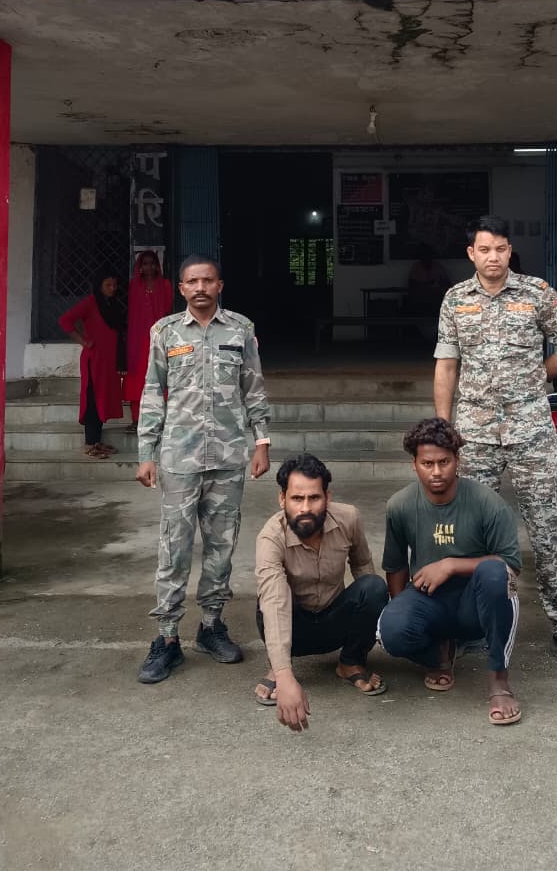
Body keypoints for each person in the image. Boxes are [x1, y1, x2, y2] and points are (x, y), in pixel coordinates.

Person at [433, 214, 557, 673]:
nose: (494, 257)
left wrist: (534, 375)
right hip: (475, 433)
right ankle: (470, 626)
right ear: (471, 253)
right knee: (469, 532)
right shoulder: (455, 299)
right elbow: (446, 364)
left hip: (531, 431)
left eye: (501, 249)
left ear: (510, 251)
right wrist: (443, 428)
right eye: (485, 249)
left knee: (547, 531)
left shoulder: (537, 293)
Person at [135, 254, 271, 684]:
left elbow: (253, 387)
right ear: (181, 288)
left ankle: (211, 625)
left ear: (219, 285)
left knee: (221, 546)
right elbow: (153, 391)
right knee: (174, 548)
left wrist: (262, 442)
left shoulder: (241, 329)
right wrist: (146, 451)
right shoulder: (165, 332)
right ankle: (167, 637)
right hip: (179, 458)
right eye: (191, 282)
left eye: (207, 281)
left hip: (228, 458)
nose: (200, 288)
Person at [378, 417, 523, 726]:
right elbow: (396, 566)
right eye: (427, 463)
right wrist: (402, 613)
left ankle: (499, 680)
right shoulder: (400, 505)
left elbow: (511, 565)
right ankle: (439, 654)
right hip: (430, 600)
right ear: (414, 464)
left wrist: (450, 564)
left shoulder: (487, 503)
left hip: (475, 605)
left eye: (444, 462)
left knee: (495, 574)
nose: (436, 471)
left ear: (457, 460)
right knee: (390, 631)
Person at [253, 453, 389, 732]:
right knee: (268, 601)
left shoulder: (349, 518)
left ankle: (350, 662)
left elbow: (362, 565)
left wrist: (374, 627)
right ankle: (280, 667)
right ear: (282, 499)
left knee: (374, 586)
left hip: (334, 623)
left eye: (314, 498)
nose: (305, 507)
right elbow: (275, 603)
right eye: (296, 498)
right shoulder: (270, 538)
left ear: (327, 497)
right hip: (295, 628)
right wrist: (285, 676)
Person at [59, 269, 126, 459]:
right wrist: (83, 341)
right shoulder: (90, 302)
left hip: (108, 361)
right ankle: (89, 443)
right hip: (94, 359)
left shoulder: (112, 304)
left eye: (114, 285)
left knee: (103, 398)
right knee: (92, 398)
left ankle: (97, 441)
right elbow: (65, 320)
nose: (112, 289)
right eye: (108, 285)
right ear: (99, 286)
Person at [125, 250, 174, 430]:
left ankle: (161, 418)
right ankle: (136, 419)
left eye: (152, 263)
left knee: (160, 375)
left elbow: (167, 309)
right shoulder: (134, 285)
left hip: (159, 337)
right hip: (137, 339)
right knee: (137, 378)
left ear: (157, 265)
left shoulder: (165, 285)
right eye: (145, 264)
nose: (149, 267)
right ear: (140, 267)